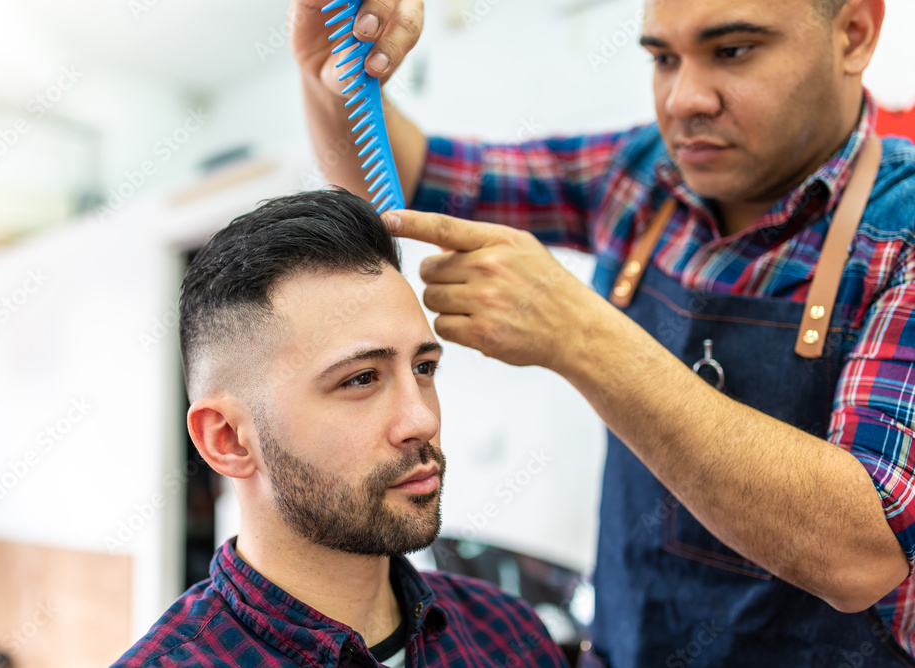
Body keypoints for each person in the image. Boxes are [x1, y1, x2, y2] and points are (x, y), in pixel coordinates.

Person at [291, 0, 915, 665]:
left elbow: (861, 554)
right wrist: (327, 71)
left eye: (733, 51)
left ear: (854, 35)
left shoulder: (898, 234)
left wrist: (584, 338)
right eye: (662, 58)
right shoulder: (641, 175)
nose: (684, 100)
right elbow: (409, 179)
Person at [110, 188, 569, 667]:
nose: (423, 421)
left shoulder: (510, 635)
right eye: (362, 379)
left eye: (423, 369)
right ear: (227, 439)